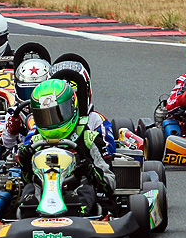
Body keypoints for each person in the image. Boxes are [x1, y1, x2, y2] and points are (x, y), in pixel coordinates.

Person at [15, 79, 115, 215]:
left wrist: (89, 170)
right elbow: (26, 180)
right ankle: (29, 214)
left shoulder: (88, 138)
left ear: (71, 108)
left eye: (56, 114)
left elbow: (109, 183)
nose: (50, 121)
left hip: (76, 190)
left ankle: (77, 214)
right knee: (29, 189)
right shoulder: (35, 142)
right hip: (44, 190)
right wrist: (25, 165)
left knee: (86, 189)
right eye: (44, 116)